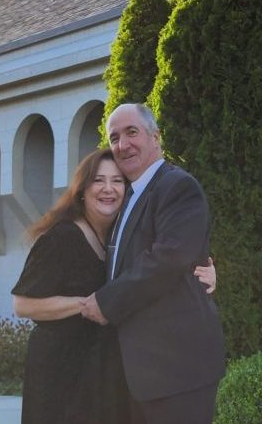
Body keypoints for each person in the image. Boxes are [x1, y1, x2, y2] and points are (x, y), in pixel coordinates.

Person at [12, 147, 216, 423]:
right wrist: (89, 304)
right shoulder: (62, 237)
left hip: (103, 371)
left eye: (117, 181)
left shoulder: (118, 237)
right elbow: (23, 304)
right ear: (82, 190)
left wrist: (203, 271)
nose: (108, 188)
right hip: (59, 371)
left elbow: (161, 264)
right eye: (98, 180)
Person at [81, 103, 226, 424]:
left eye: (131, 132)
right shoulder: (128, 197)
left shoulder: (177, 186)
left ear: (156, 137)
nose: (122, 144)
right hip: (138, 373)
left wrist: (106, 302)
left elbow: (168, 260)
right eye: (114, 137)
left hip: (177, 371)